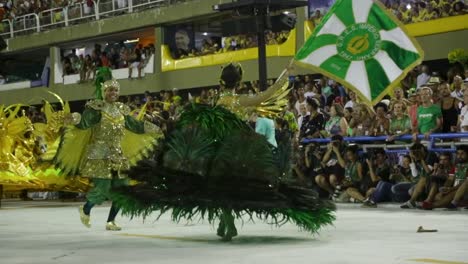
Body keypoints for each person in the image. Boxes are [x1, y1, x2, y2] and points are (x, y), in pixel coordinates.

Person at [55, 73, 163, 231]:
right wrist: (73, 118)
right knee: (102, 189)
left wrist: (155, 129)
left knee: (123, 189)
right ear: (104, 92)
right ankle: (85, 209)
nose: (113, 93)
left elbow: (135, 126)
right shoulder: (96, 109)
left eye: (115, 90)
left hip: (118, 154)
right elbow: (84, 123)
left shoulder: (121, 110)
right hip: (99, 154)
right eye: (109, 90)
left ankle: (111, 221)